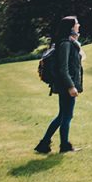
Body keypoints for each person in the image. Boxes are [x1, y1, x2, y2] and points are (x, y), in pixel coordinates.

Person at [34, 16, 85, 154]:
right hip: (65, 86)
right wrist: (71, 86)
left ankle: (44, 144)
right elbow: (63, 69)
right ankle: (64, 146)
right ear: (70, 27)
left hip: (65, 85)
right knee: (66, 116)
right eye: (76, 24)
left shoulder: (70, 42)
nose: (78, 25)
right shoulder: (66, 44)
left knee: (62, 115)